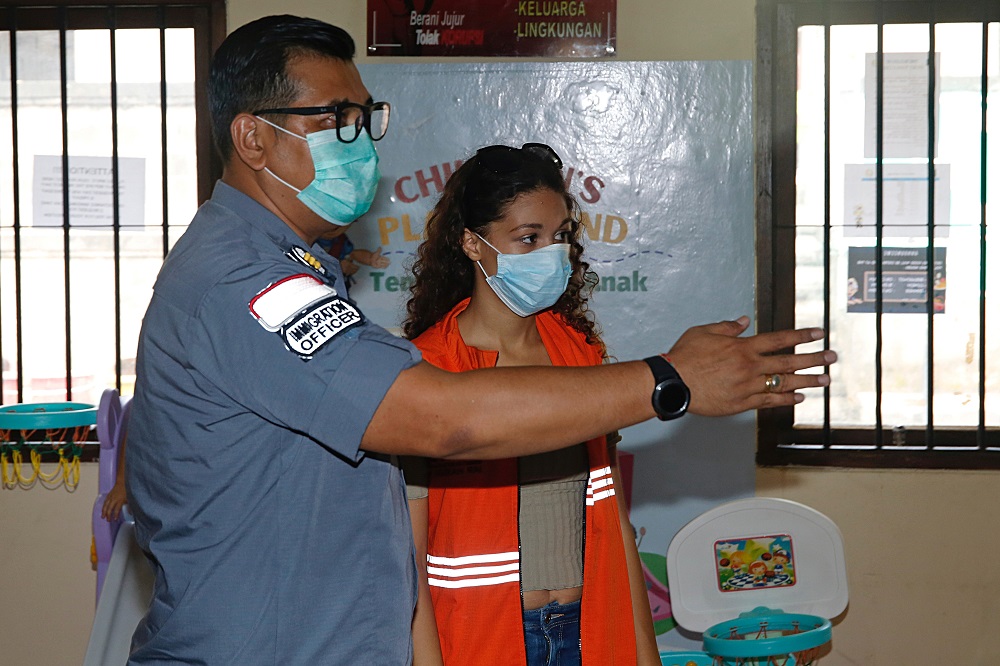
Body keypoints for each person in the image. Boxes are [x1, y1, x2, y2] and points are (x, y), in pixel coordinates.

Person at [125, 14, 836, 666]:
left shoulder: (292, 271)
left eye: (367, 119)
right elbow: (447, 418)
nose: (363, 141)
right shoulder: (245, 282)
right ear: (253, 137)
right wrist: (666, 380)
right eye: (337, 120)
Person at [401, 143, 658, 665]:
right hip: (481, 635)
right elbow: (403, 562)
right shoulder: (425, 371)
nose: (551, 252)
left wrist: (644, 653)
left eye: (560, 236)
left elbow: (615, 522)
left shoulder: (580, 355)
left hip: (589, 627)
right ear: (473, 244)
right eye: (528, 238)